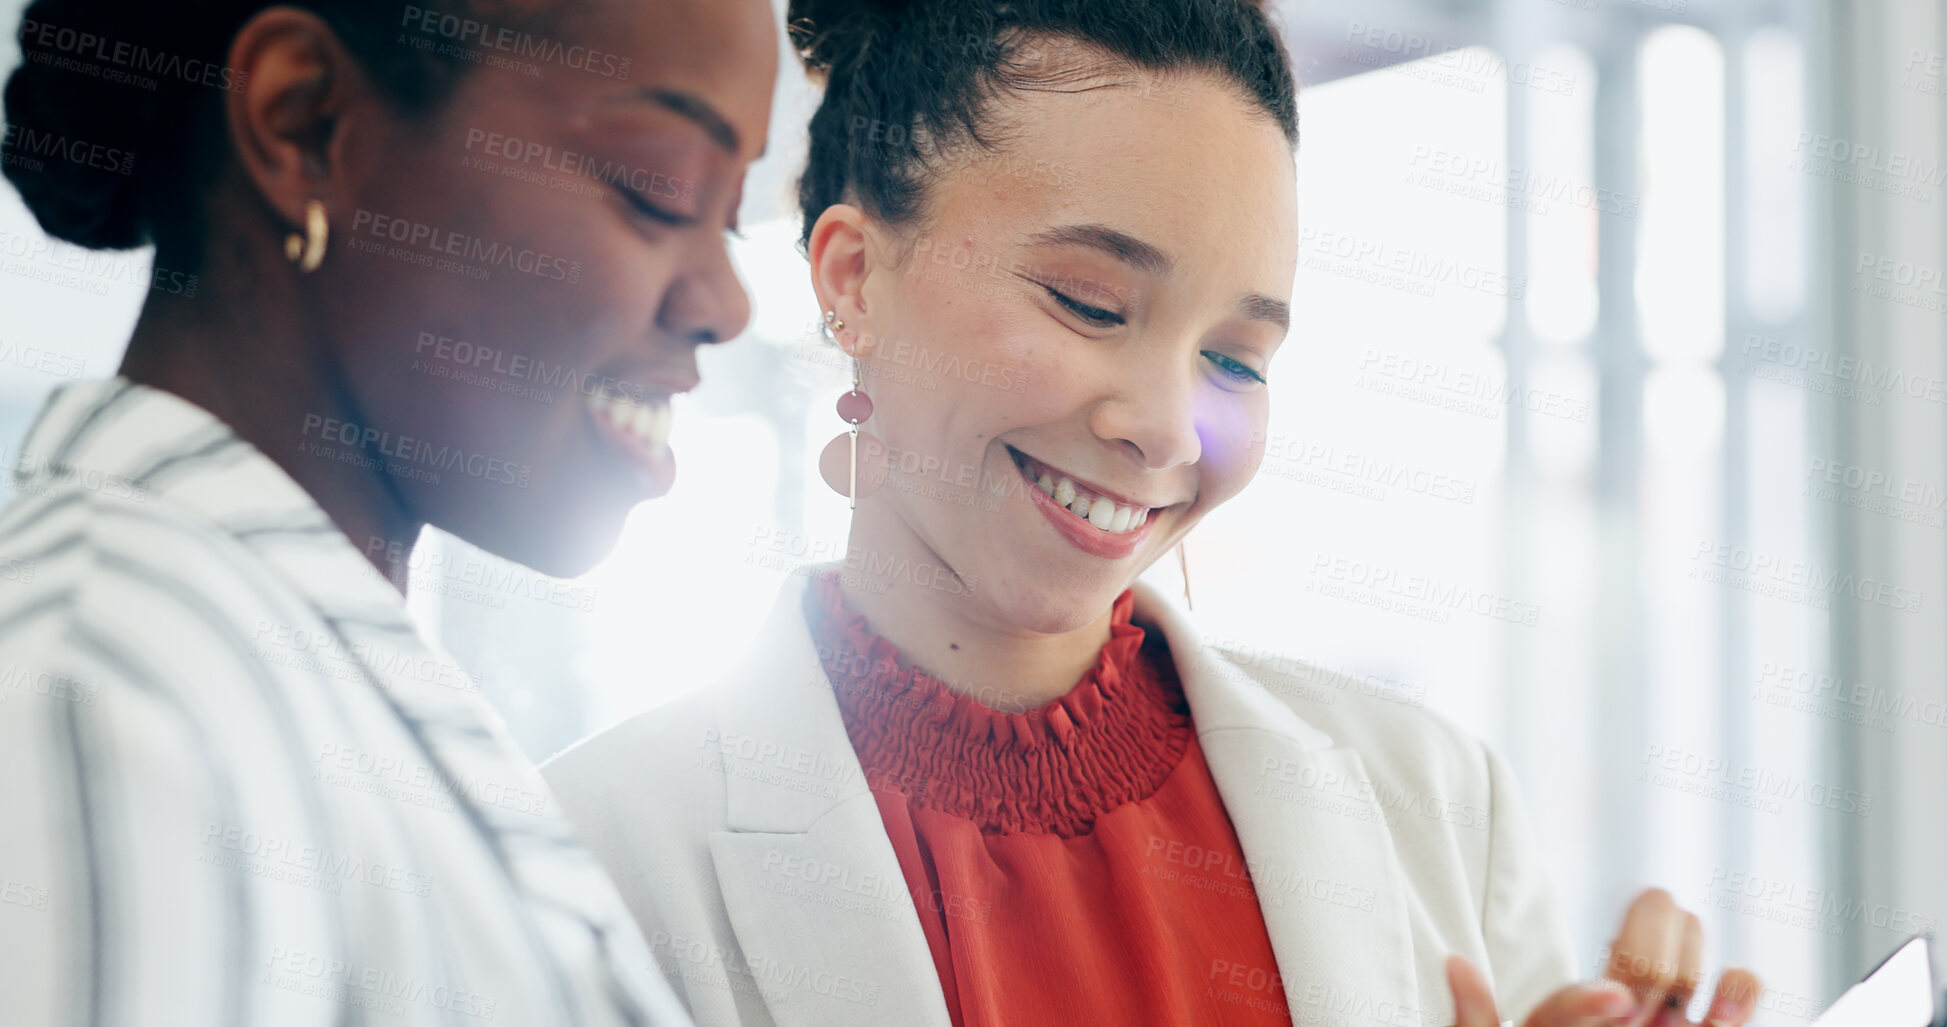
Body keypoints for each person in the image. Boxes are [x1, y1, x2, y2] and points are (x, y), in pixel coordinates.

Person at [544, 1, 1761, 1026]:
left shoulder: (1438, 802)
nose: (1171, 428)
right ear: (856, 277)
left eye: (1237, 358)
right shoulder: (583, 864)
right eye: (1091, 302)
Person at [0, 0, 774, 1022]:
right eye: (659, 189)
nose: (729, 302)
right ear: (304, 123)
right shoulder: (109, 694)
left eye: (729, 215)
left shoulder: (285, 684)